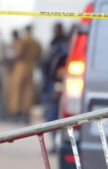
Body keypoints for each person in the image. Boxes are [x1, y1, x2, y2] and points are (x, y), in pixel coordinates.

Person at [40, 22, 72, 150]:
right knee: (51, 115)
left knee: (57, 114)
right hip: (50, 84)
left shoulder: (64, 46)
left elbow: (62, 68)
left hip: (58, 85)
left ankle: (59, 143)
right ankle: (55, 142)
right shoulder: (54, 44)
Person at [7, 25, 42, 124]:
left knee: (17, 91)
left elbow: (18, 53)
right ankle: (26, 113)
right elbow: (40, 53)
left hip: (20, 67)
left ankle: (16, 113)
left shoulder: (22, 41)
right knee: (28, 92)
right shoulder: (36, 42)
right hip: (31, 67)